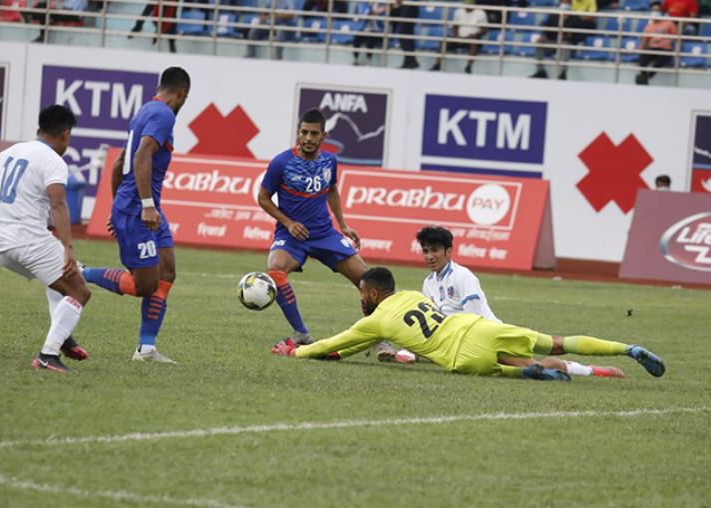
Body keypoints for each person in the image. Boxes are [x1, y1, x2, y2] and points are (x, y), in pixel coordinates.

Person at [272, 267, 666, 381]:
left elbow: (334, 344)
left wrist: (297, 352)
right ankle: (626, 349)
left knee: (523, 368)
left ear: (373, 294)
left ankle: (533, 373)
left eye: (362, 294)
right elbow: (351, 346)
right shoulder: (415, 295)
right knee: (557, 341)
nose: (360, 298)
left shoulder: (376, 321)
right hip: (477, 327)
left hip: (462, 354)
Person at [0, 105, 91, 373]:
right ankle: (48, 354)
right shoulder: (54, 161)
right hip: (29, 241)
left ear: (38, 130)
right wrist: (68, 247)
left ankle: (63, 337)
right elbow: (58, 204)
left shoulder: (11, 151)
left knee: (61, 280)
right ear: (66, 134)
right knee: (79, 290)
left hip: (1, 246)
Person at [80, 67, 191, 364]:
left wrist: (118, 207)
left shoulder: (144, 111)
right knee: (145, 285)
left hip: (141, 207)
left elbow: (119, 163)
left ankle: (146, 349)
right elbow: (141, 156)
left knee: (167, 272)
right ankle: (80, 272)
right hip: (141, 209)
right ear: (182, 94)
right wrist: (143, 205)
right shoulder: (164, 114)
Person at [258, 108, 367, 345]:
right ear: (298, 133)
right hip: (292, 236)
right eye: (304, 132)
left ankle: (379, 338)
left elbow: (332, 190)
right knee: (275, 270)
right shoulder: (281, 163)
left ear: (323, 136)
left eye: (314, 133)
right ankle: (301, 333)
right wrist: (288, 223)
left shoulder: (330, 161)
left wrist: (343, 225)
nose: (308, 138)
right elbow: (263, 198)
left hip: (324, 234)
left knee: (368, 281)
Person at [530, 0, 598, 80]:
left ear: (571, 4)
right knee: (539, 44)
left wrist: (570, 37)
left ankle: (562, 74)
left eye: (567, 3)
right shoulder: (553, 16)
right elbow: (547, 31)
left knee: (565, 45)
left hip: (569, 45)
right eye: (563, 3)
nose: (564, 5)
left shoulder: (576, 19)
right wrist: (543, 37)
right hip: (554, 43)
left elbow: (580, 37)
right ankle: (541, 72)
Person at [431, 0, 488, 73]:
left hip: (473, 38)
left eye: (470, 4)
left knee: (474, 41)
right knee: (443, 41)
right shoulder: (458, 11)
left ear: (474, 3)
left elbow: (485, 30)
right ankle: (438, 65)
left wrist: (475, 34)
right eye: (467, 4)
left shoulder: (481, 13)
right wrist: (456, 35)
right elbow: (455, 26)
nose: (468, 6)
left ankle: (468, 67)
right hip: (459, 37)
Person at [635, 1, 679, 85]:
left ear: (661, 12)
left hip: (665, 49)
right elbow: (645, 41)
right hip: (652, 48)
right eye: (653, 10)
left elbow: (677, 37)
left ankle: (647, 76)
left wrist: (667, 37)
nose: (655, 13)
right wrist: (639, 50)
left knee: (660, 60)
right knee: (642, 60)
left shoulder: (668, 23)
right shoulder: (649, 27)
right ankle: (644, 77)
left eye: (657, 10)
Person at [391, 0, 420, 69]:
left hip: (410, 6)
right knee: (407, 34)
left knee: (404, 33)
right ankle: (409, 61)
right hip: (407, 6)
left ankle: (411, 61)